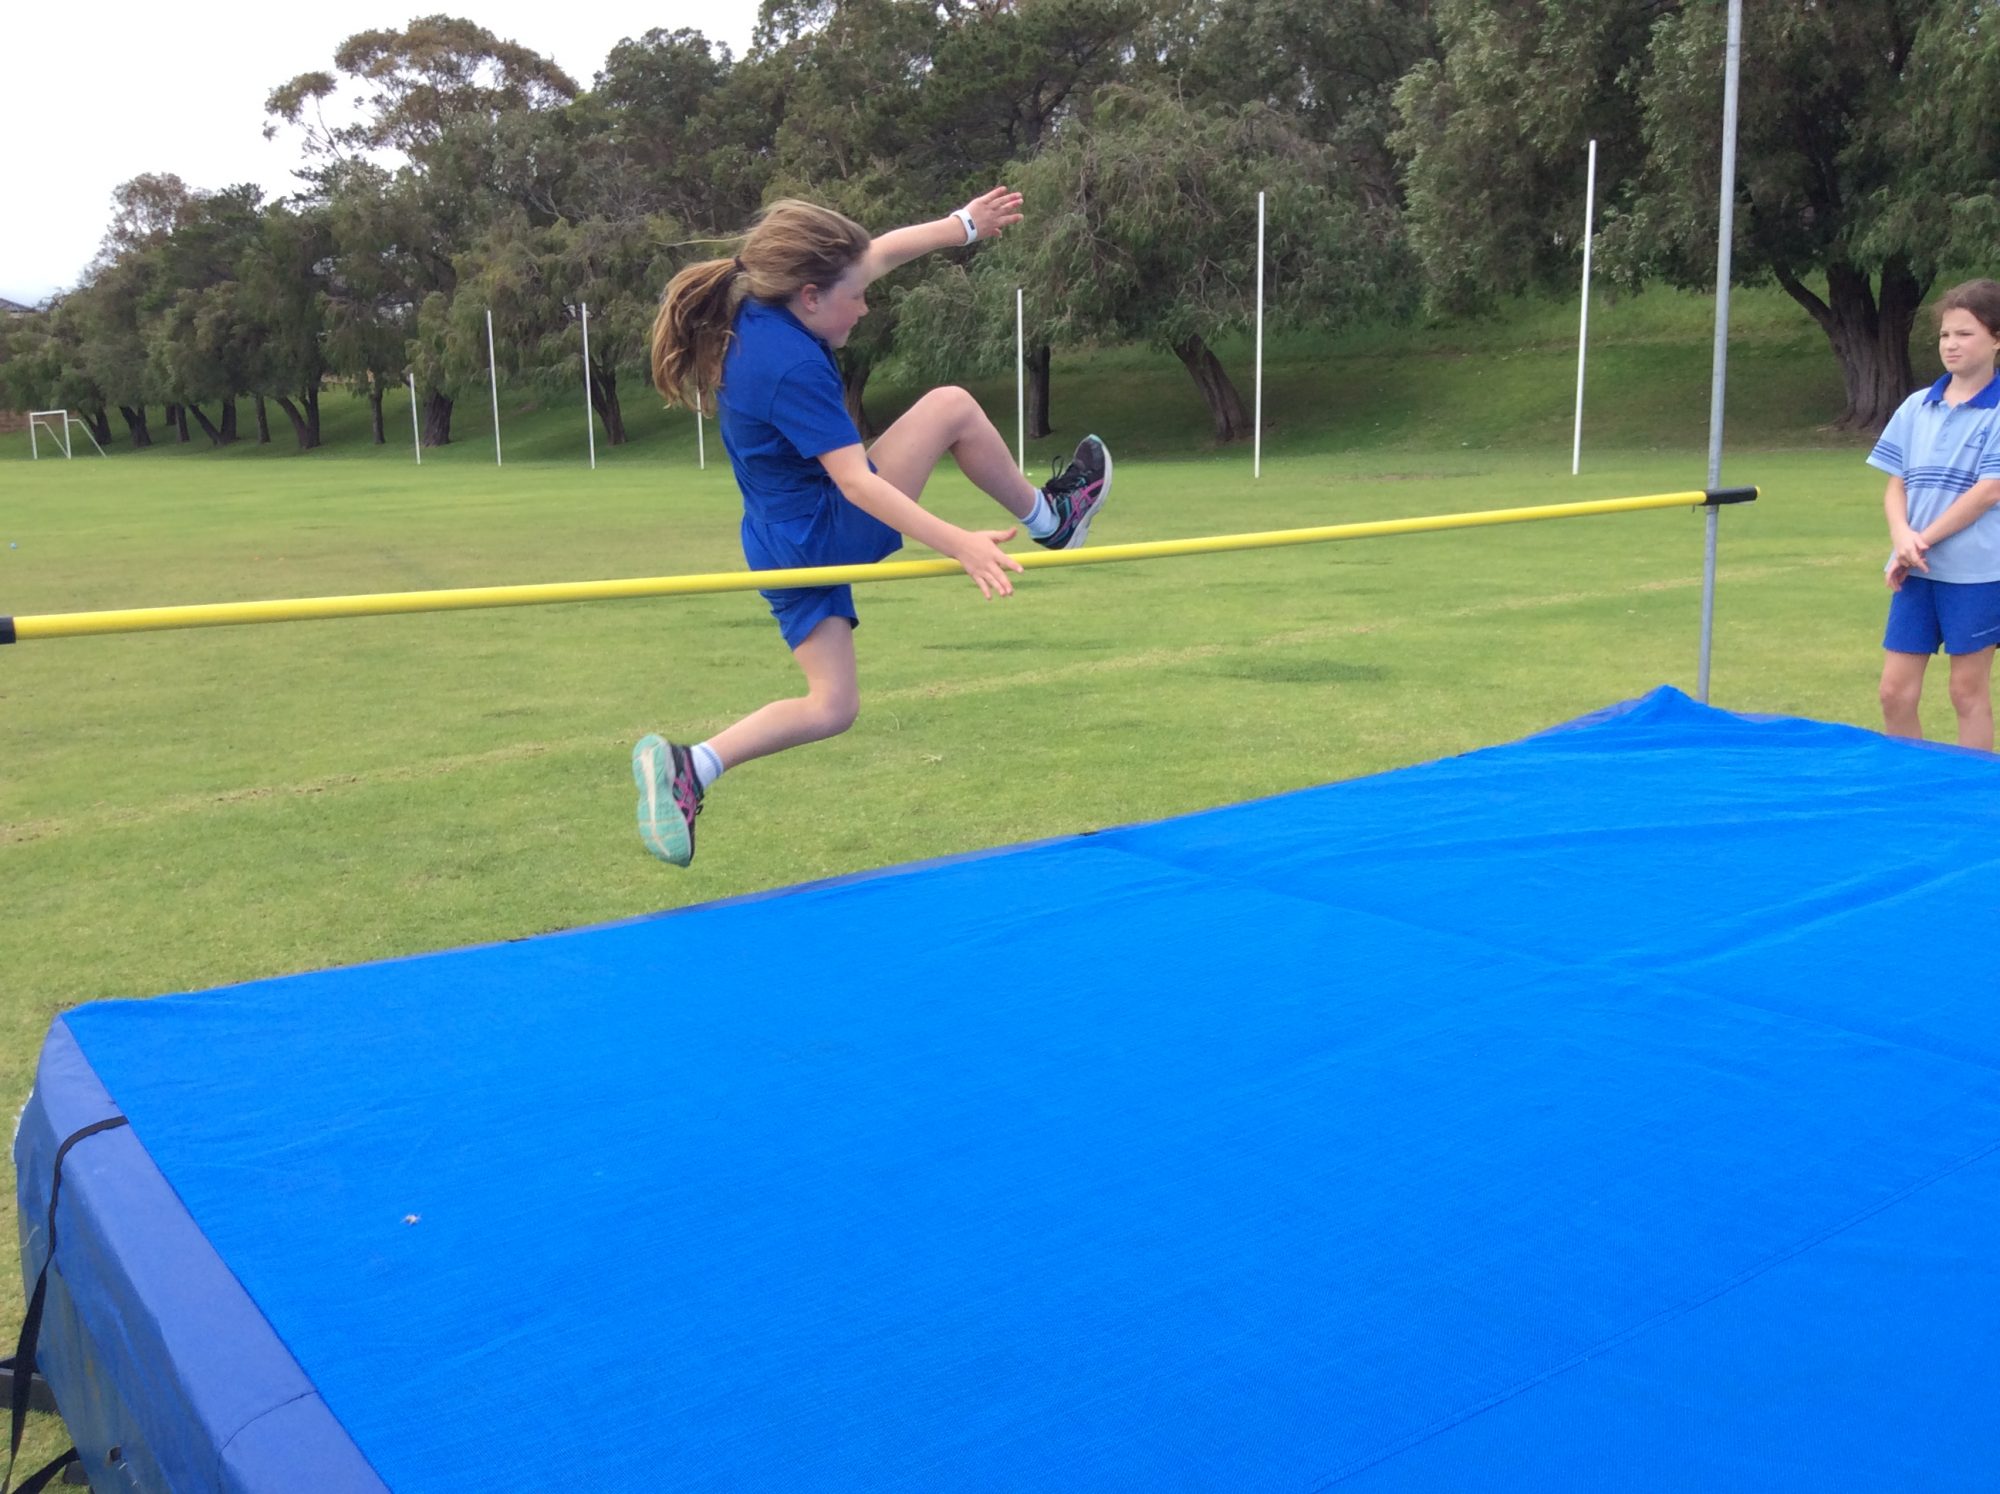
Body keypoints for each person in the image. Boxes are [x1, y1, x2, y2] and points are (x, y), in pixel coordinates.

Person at [632, 189, 1112, 866]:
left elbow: (876, 254)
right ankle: (1052, 519)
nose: (865, 306)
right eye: (854, 297)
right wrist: (959, 543)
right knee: (950, 407)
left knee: (833, 705)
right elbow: (859, 482)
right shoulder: (791, 365)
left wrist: (965, 226)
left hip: (776, 542)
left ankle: (692, 767)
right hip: (826, 526)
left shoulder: (761, 304)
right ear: (809, 295)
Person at [1872, 278, 2000, 752]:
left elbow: (1988, 492)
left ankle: (1970, 797)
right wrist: (1901, 535)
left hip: (1976, 574)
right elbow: (1895, 482)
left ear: (1996, 339)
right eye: (1946, 334)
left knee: (1966, 692)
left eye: (1965, 334)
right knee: (1894, 693)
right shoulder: (1915, 406)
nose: (1952, 344)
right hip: (1916, 569)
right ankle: (1912, 786)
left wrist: (1917, 541)